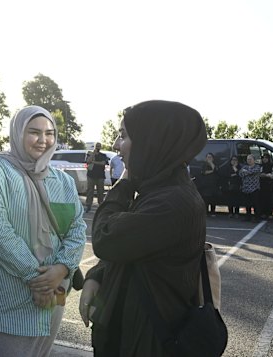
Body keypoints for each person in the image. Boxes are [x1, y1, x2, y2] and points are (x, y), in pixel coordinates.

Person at [79, 100, 207, 356]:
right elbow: (136, 248)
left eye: (123, 136)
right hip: (129, 334)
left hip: (148, 341)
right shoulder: (157, 190)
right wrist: (98, 274)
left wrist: (123, 183)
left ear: (151, 141)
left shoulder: (172, 202)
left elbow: (106, 237)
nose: (116, 145)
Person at [0, 106, 87, 357]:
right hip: (8, 299)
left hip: (56, 295)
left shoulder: (62, 181)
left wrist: (62, 269)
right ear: (17, 133)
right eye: (34, 132)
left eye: (49, 133)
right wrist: (40, 281)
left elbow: (77, 230)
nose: (43, 140)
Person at [85, 142, 108, 213]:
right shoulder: (89, 154)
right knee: (90, 191)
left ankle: (101, 205)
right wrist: (93, 155)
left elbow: (103, 163)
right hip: (91, 175)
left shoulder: (103, 155)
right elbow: (88, 161)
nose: (98, 147)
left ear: (100, 147)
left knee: (100, 191)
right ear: (94, 147)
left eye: (99, 146)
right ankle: (88, 205)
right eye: (97, 146)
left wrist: (94, 162)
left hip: (100, 176)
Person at [239, 154, 262, 221]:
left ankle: (257, 217)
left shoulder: (257, 167)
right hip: (246, 188)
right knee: (247, 204)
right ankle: (248, 217)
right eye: (248, 159)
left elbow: (253, 172)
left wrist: (246, 172)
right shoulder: (245, 167)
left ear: (254, 160)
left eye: (250, 159)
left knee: (255, 204)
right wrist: (247, 172)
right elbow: (240, 173)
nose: (249, 160)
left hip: (254, 188)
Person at [199, 152, 220, 216]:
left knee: (213, 199)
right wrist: (212, 171)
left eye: (210, 157)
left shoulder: (215, 164)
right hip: (206, 185)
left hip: (214, 185)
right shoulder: (204, 164)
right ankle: (206, 212)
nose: (209, 158)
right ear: (206, 158)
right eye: (208, 157)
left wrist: (211, 163)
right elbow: (204, 172)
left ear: (213, 158)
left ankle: (213, 212)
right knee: (206, 199)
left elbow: (216, 170)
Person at [259, 153, 273, 220]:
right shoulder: (260, 166)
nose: (264, 159)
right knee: (262, 200)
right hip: (262, 185)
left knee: (269, 200)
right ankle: (263, 213)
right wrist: (261, 175)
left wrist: (267, 175)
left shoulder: (272, 165)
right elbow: (258, 173)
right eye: (263, 158)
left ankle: (269, 214)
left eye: (266, 158)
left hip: (269, 184)